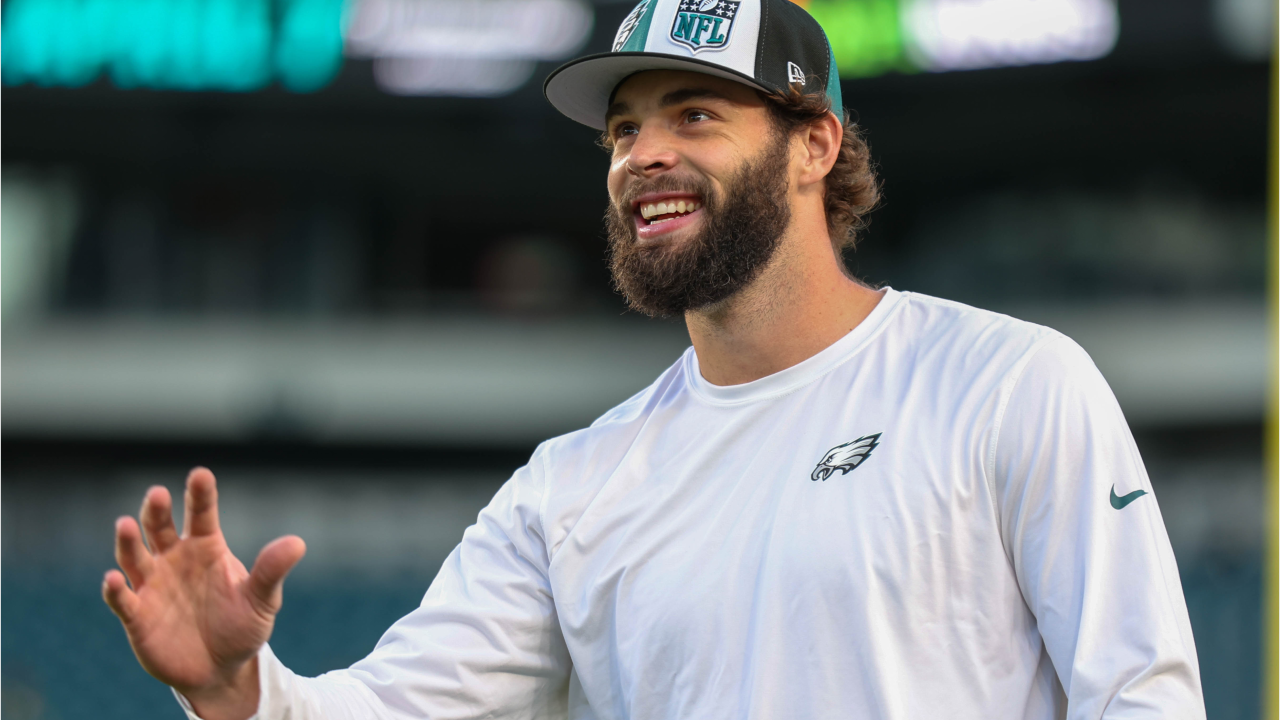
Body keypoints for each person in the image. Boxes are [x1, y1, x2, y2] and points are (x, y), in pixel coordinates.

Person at [103, 1, 1206, 718]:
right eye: (622, 130)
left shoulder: (1005, 383)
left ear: (813, 144)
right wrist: (240, 693)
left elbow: (1140, 696)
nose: (643, 155)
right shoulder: (571, 486)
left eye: (693, 113)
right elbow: (394, 710)